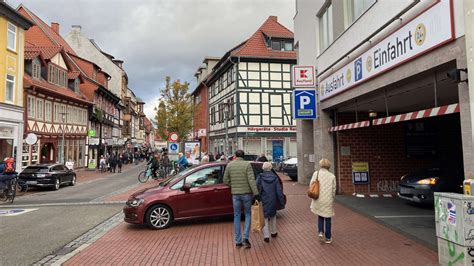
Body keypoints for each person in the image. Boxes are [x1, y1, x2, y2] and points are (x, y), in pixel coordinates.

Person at [223, 149, 260, 249]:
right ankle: (246, 238)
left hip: (235, 194)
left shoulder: (230, 165)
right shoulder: (247, 165)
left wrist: (233, 186)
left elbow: (225, 180)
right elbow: (251, 180)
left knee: (236, 216)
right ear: (244, 156)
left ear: (235, 155)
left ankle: (238, 240)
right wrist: (256, 193)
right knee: (248, 214)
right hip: (247, 194)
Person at [256, 162, 285, 243]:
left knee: (264, 217)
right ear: (271, 168)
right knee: (273, 215)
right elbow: (279, 191)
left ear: (263, 168)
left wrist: (257, 198)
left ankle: (266, 236)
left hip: (264, 199)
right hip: (273, 199)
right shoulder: (275, 177)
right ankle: (274, 232)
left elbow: (257, 188)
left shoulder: (260, 177)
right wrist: (281, 202)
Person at [310, 158, 337, 244]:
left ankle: (321, 232)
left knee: (320, 216)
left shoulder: (316, 174)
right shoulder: (332, 176)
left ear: (320, 165)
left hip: (318, 198)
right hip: (328, 200)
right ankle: (328, 238)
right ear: (328, 166)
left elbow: (311, 184)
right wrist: (332, 198)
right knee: (328, 218)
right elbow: (334, 190)